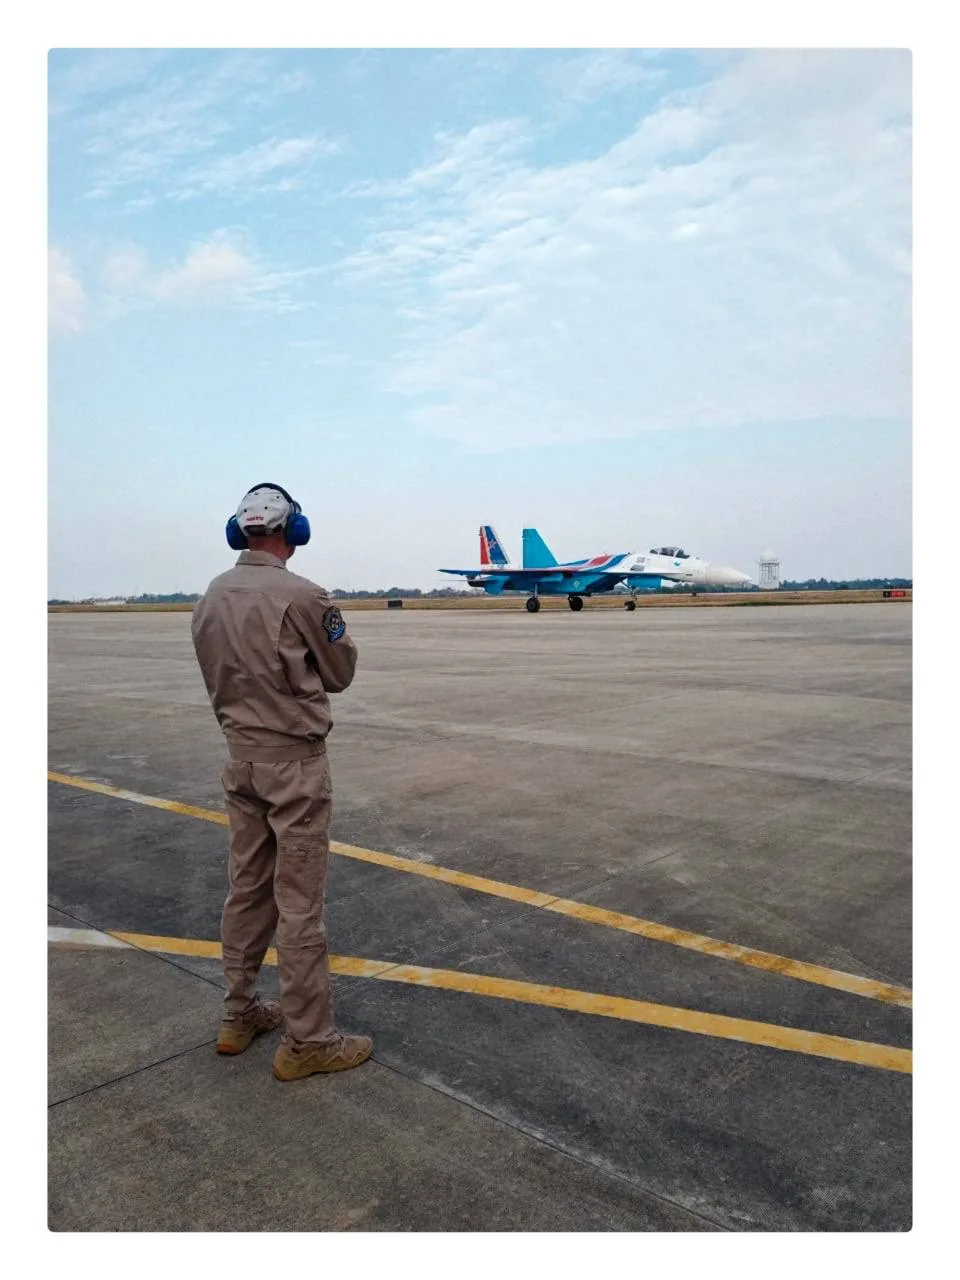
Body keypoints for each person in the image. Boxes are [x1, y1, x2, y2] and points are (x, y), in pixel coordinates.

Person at [191, 482, 372, 1081]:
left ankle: (238, 1013)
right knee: (299, 905)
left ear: (238, 532)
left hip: (239, 759)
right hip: (293, 766)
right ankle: (310, 1041)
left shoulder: (210, 596)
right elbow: (340, 673)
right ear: (294, 531)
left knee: (246, 889)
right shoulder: (305, 596)